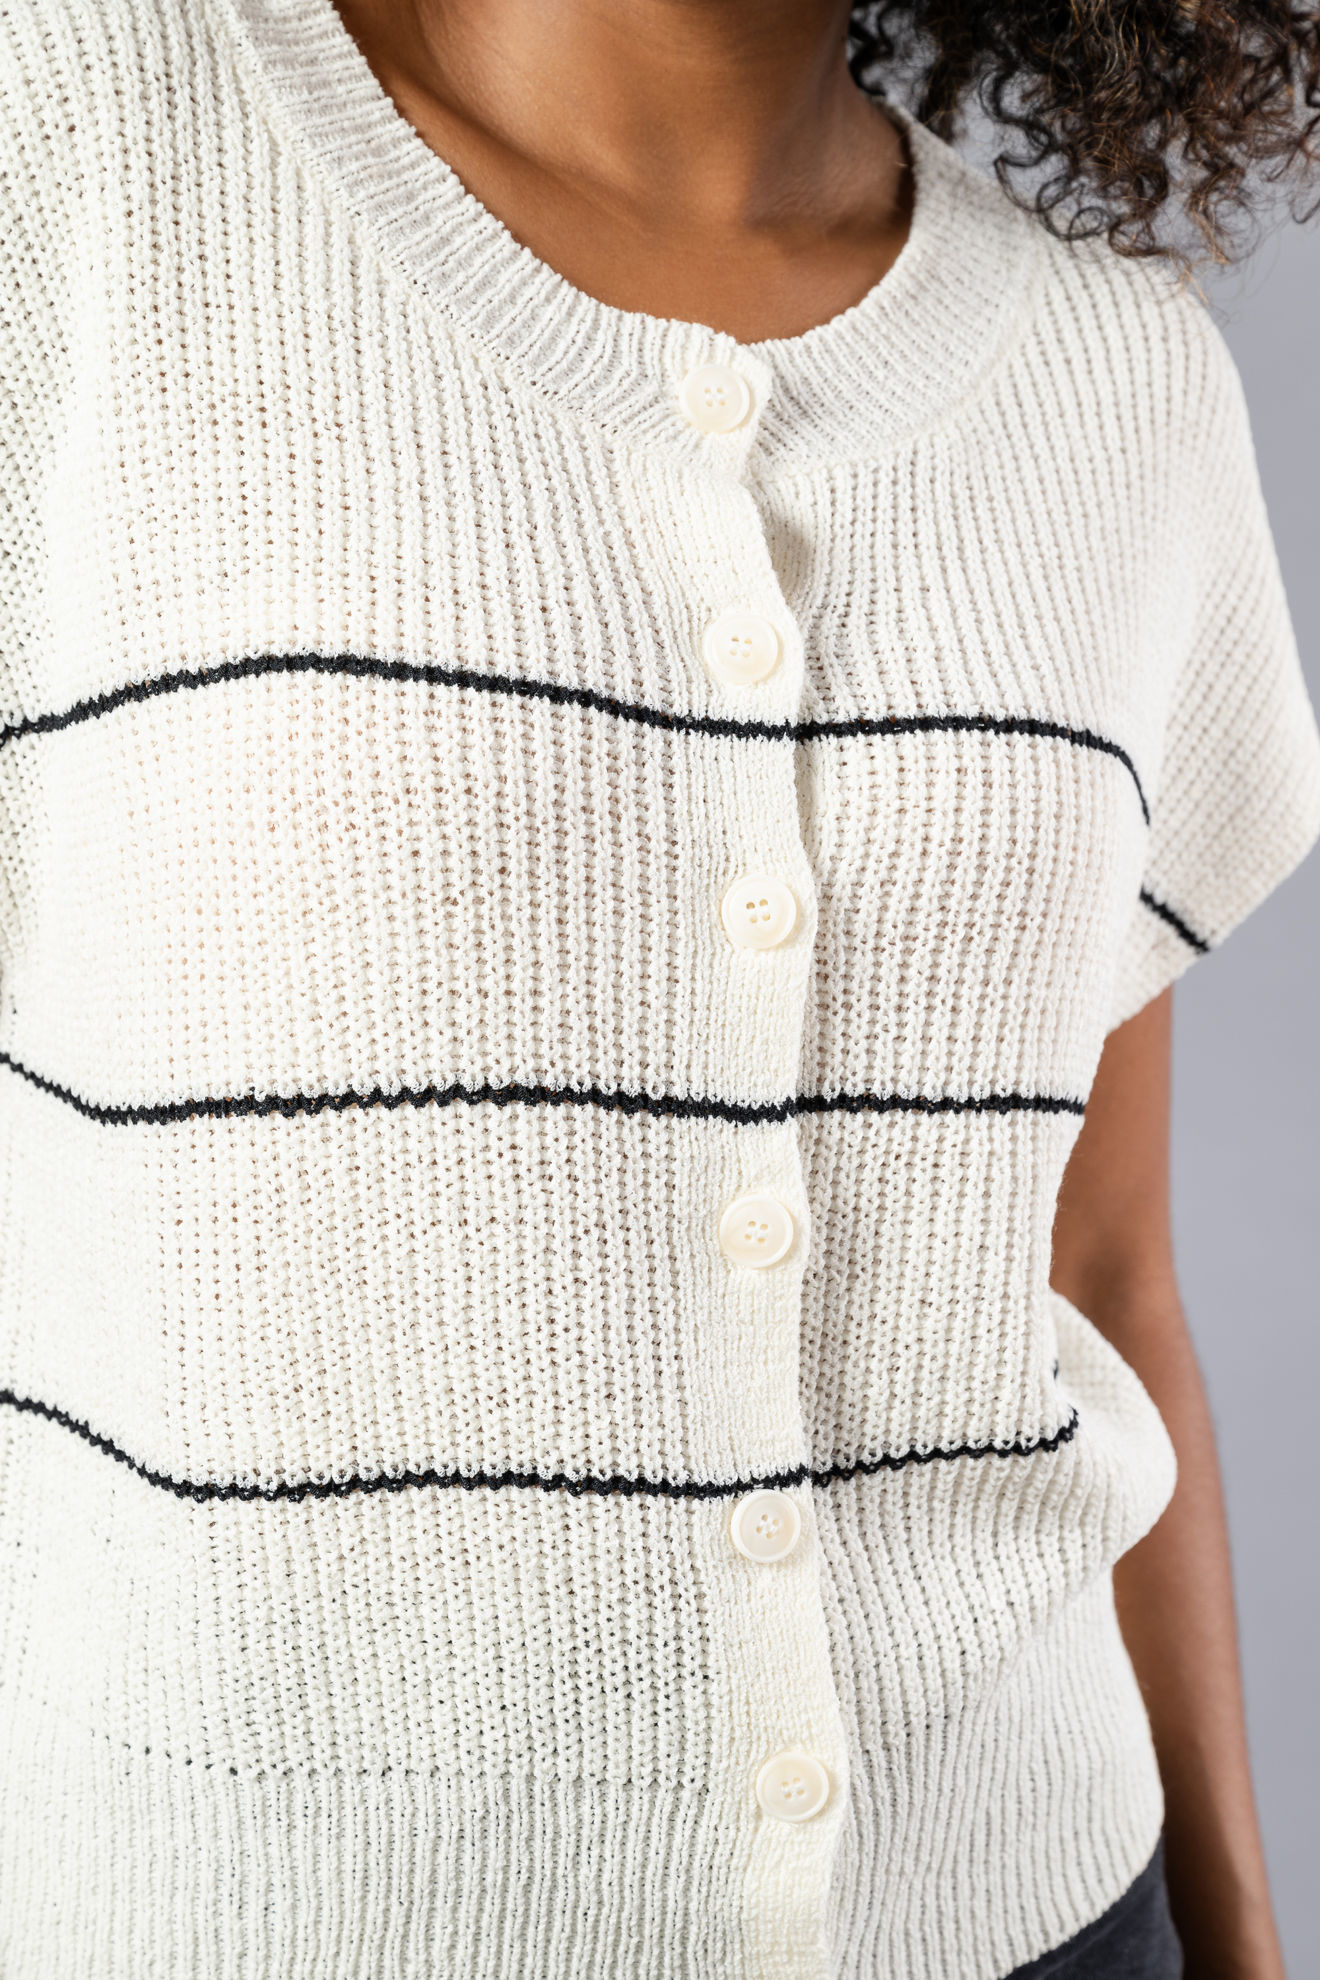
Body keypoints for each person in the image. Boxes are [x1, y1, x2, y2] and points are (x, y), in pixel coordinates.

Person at [1, 1, 1318, 1975]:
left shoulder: (1121, 387)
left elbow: (1102, 1272)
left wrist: (1241, 1939)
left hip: (1037, 1906)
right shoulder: (76, 148)